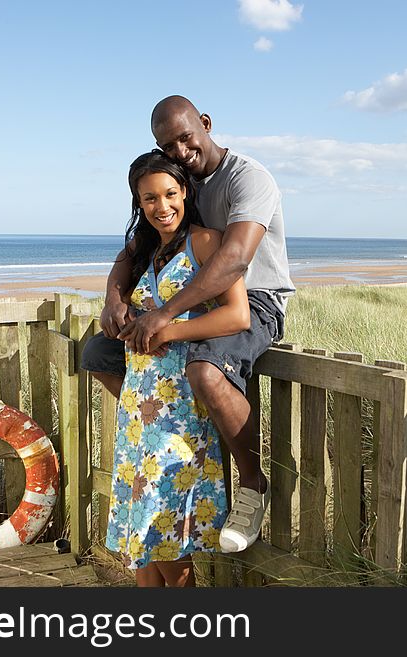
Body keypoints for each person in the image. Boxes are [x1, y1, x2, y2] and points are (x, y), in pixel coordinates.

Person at [83, 95, 295, 554]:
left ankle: (252, 486)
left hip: (255, 299)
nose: (180, 150)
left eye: (186, 137)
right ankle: (174, 424)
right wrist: (113, 298)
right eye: (168, 144)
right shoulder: (181, 184)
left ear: (206, 123)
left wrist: (166, 315)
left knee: (205, 371)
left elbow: (235, 260)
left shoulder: (247, 178)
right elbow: (134, 247)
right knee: (97, 352)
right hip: (193, 298)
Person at [105, 150, 249, 587]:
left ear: (185, 192)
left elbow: (237, 315)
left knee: (166, 530)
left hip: (179, 408)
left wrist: (167, 331)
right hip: (138, 405)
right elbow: (117, 278)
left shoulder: (203, 242)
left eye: (169, 194)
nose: (161, 206)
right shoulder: (146, 248)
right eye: (149, 198)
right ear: (138, 201)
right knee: (140, 537)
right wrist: (114, 302)